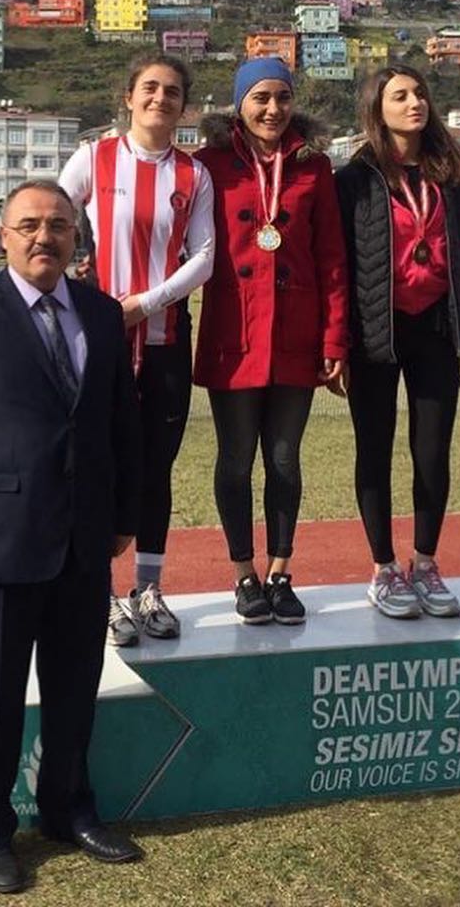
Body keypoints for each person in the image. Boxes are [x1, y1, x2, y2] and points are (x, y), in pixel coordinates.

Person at [0, 181, 143, 894]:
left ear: (77, 238)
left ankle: (70, 811)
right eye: (30, 225)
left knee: (74, 689)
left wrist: (124, 516)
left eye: (60, 226)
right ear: (2, 236)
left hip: (82, 541)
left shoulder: (102, 314)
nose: (46, 237)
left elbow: (119, 423)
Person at [60, 53, 214, 647]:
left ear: (183, 106)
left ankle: (147, 589)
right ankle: (98, 594)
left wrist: (145, 304)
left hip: (166, 338)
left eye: (172, 91)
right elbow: (53, 216)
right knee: (95, 463)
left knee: (156, 466)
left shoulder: (193, 175)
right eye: (149, 88)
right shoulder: (94, 157)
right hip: (97, 339)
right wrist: (80, 291)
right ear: (128, 98)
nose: (160, 98)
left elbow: (204, 257)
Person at [193, 57, 349, 625]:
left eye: (282, 97)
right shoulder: (208, 166)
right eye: (260, 97)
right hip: (233, 335)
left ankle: (281, 572)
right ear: (240, 104)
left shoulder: (315, 168)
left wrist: (335, 340)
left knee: (284, 459)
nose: (272, 109)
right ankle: (244, 576)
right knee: (235, 461)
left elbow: (333, 260)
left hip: (296, 337)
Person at [334, 65, 460, 620]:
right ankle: (383, 569)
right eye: (399, 96)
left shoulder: (451, 175)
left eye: (420, 92)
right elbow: (341, 265)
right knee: (373, 449)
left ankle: (425, 563)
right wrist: (339, 340)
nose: (414, 102)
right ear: (378, 108)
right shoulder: (354, 178)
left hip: (437, 330)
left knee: (432, 452)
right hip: (376, 331)